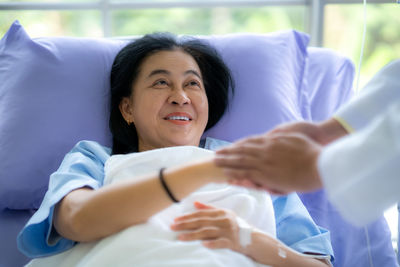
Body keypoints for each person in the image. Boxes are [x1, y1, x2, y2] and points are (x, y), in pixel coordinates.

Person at [18, 33, 333, 266]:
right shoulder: (95, 160)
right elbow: (77, 220)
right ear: (127, 108)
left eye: (193, 84)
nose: (180, 97)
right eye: (160, 83)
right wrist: (210, 170)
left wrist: (247, 238)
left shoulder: (256, 164)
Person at [215, 59, 400, 226]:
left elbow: (319, 262)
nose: (184, 98)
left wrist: (313, 166)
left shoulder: (252, 173)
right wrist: (329, 131)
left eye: (192, 83)